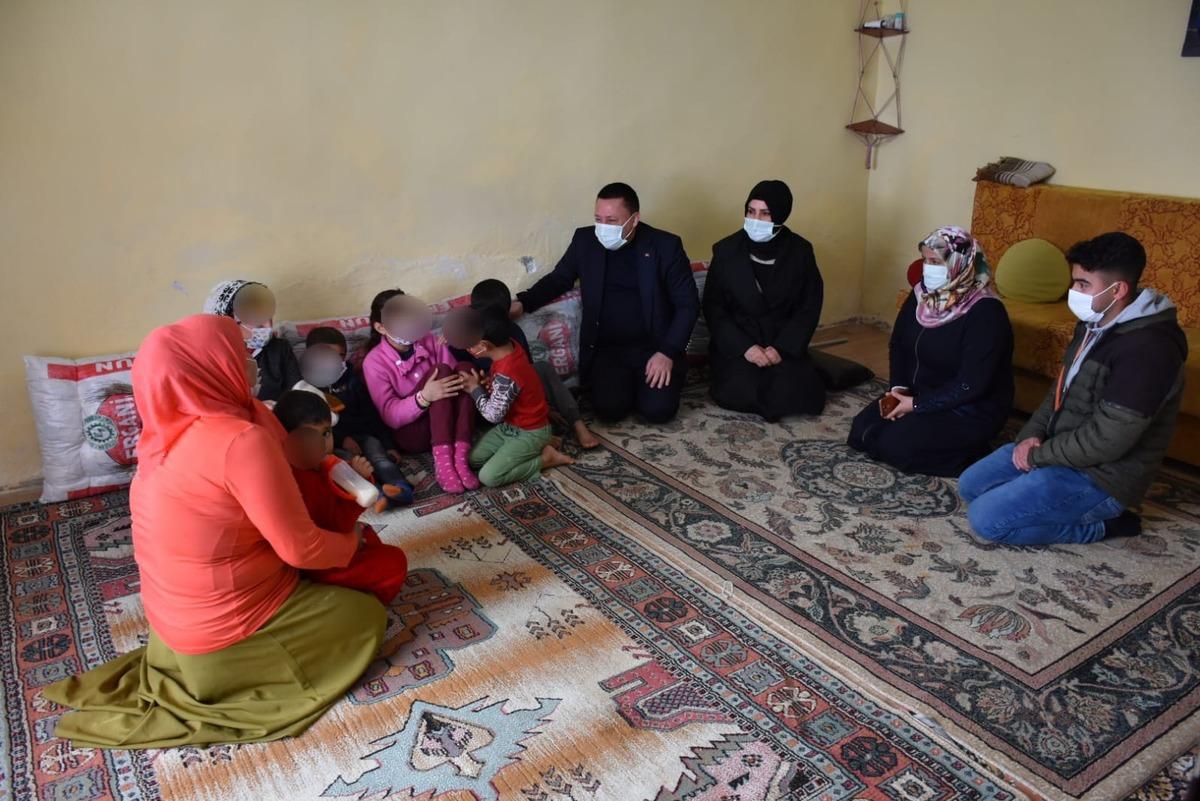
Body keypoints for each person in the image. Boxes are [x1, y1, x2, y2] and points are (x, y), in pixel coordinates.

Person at [42, 314, 385, 749]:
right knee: (364, 614)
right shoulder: (240, 439)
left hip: (173, 630)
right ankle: (243, 674)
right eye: (240, 354)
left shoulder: (173, 426)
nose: (253, 361)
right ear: (210, 368)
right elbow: (301, 549)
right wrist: (349, 544)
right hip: (223, 634)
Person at [959, 232, 1187, 545]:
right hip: (1059, 449)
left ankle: (1107, 525)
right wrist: (1030, 438)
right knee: (970, 485)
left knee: (987, 521)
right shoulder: (1096, 320)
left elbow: (1108, 442)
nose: (1073, 292)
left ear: (1117, 289)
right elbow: (1059, 391)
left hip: (1102, 477)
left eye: (1082, 284)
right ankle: (1040, 485)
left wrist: (1038, 457)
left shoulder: (1150, 350)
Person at [511, 182, 700, 423]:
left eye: (611, 220)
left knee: (658, 411)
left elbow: (688, 305)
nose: (603, 227)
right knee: (610, 410)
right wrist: (522, 302)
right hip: (607, 350)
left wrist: (667, 352)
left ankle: (655, 384)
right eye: (598, 219)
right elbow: (559, 279)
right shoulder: (585, 241)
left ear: (634, 219)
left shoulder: (665, 246)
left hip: (654, 346)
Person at [847, 226, 1014, 476]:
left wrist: (915, 405)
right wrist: (898, 390)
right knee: (862, 432)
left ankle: (978, 457)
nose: (928, 268)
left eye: (936, 261)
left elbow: (972, 383)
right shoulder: (921, 296)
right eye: (926, 260)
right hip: (919, 394)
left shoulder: (986, 313)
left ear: (960, 263)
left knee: (896, 446)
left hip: (968, 407)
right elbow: (898, 346)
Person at [702, 180, 826, 420]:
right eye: (751, 211)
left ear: (780, 214)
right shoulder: (726, 250)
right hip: (739, 345)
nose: (756, 219)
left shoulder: (800, 252)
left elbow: (808, 307)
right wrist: (745, 348)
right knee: (740, 388)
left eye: (765, 213)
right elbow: (714, 308)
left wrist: (782, 348)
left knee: (801, 391)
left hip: (781, 344)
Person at [273, 390, 409, 606]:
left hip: (329, 543)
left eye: (326, 433)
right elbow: (337, 523)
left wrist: (358, 480)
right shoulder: (301, 479)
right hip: (318, 565)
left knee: (369, 535)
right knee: (394, 561)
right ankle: (366, 604)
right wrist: (355, 495)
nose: (321, 444)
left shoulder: (317, 463)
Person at [362, 289, 478, 494]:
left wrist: (474, 384)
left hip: (446, 421)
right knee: (440, 371)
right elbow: (390, 415)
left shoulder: (429, 340)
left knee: (465, 369)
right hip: (413, 433)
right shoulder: (374, 362)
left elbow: (455, 383)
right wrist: (424, 397)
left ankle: (460, 457)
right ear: (380, 327)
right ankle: (443, 463)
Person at [443, 308, 574, 486]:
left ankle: (546, 458)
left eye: (470, 345)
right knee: (473, 460)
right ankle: (542, 444)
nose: (468, 348)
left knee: (488, 477)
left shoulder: (508, 373)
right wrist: (489, 384)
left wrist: (475, 389)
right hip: (510, 427)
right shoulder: (510, 346)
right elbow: (512, 389)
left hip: (530, 432)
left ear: (483, 346)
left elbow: (493, 415)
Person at [465, 279, 600, 449]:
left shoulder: (512, 332)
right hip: (491, 401)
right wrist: (481, 385)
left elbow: (526, 373)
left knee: (542, 367)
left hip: (516, 391)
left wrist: (543, 406)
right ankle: (538, 440)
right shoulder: (469, 336)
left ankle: (577, 423)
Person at [301, 327, 413, 509]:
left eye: (341, 356)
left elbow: (371, 412)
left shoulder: (351, 379)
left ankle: (402, 489)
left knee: (380, 458)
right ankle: (379, 496)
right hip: (335, 444)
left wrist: (389, 445)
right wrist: (342, 438)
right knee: (349, 466)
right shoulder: (307, 387)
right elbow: (315, 426)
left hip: (364, 434)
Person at [204, 279, 301, 402]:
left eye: (270, 318)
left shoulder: (279, 349)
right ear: (230, 323)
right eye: (258, 322)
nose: (269, 328)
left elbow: (296, 388)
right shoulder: (212, 359)